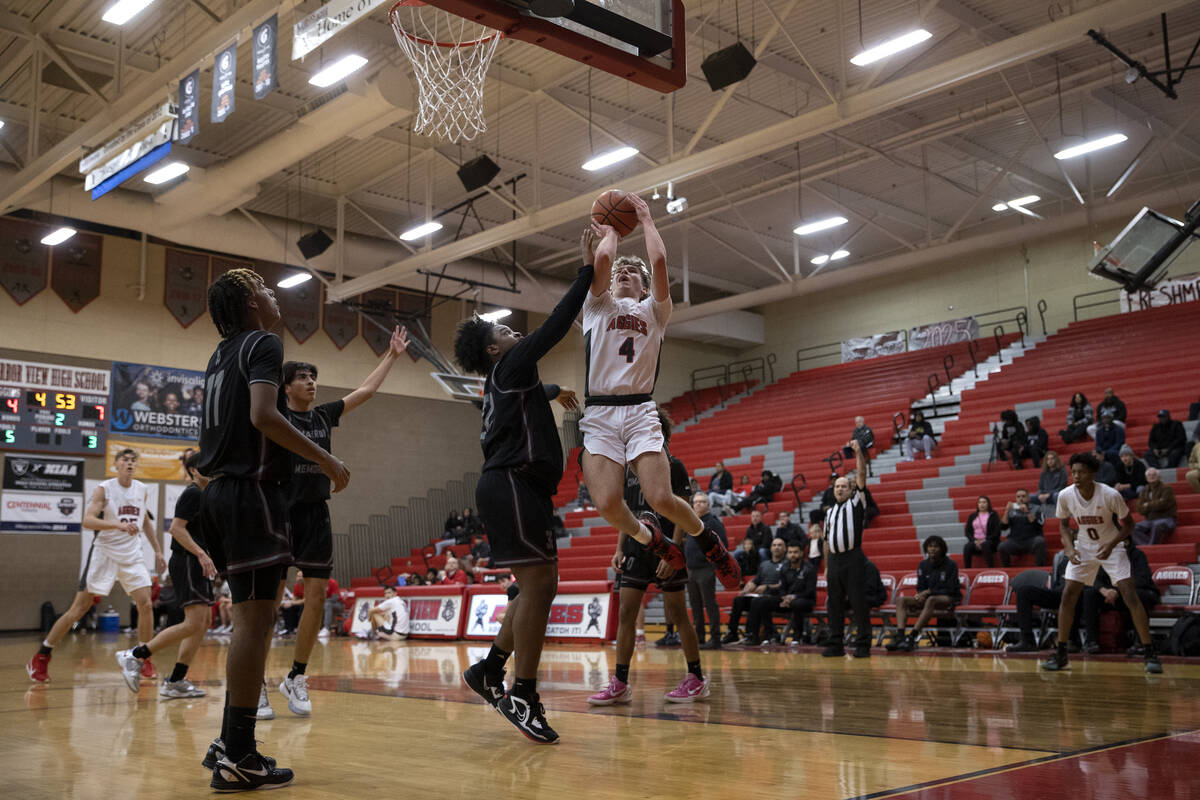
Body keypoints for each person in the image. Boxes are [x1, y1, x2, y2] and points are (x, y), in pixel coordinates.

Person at [196, 267, 350, 790]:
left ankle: (230, 742)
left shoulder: (220, 356)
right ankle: (239, 750)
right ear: (248, 303)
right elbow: (264, 416)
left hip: (223, 492)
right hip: (251, 493)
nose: (272, 293)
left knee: (250, 621)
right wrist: (326, 460)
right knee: (254, 625)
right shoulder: (263, 343)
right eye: (263, 288)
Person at [455, 225, 595, 745]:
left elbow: (535, 388)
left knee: (536, 586)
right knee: (539, 587)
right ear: (495, 349)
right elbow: (556, 325)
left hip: (521, 487)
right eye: (507, 332)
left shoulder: (508, 379)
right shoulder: (512, 365)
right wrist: (587, 270)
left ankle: (490, 670)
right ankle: (522, 692)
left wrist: (555, 391)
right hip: (512, 484)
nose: (516, 334)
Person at [576, 194, 739, 594]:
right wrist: (610, 234)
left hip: (640, 410)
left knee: (661, 498)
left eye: (632, 272)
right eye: (620, 271)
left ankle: (708, 541)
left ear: (645, 286)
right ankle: (654, 541)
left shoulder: (654, 312)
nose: (623, 273)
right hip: (599, 413)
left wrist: (647, 221)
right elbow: (600, 264)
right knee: (609, 504)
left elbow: (661, 263)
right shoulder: (596, 308)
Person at [276, 327, 409, 717]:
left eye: (313, 377)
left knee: (315, 597)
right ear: (285, 388)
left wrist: (392, 356)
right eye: (302, 377)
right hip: (280, 513)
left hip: (316, 512)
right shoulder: (275, 416)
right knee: (267, 603)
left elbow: (364, 392)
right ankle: (254, 685)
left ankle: (296, 676)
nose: (311, 382)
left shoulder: (322, 415)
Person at [27, 448, 166, 684]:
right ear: (116, 464)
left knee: (145, 604)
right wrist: (117, 525)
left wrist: (158, 550)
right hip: (105, 552)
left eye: (133, 460)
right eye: (125, 460)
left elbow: (144, 521)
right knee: (79, 609)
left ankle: (143, 658)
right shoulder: (105, 488)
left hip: (131, 554)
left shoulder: (141, 489)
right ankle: (42, 654)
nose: (130, 464)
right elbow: (87, 520)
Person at [590, 474, 712, 705]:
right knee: (626, 613)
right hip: (635, 549)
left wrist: (673, 550)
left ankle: (696, 678)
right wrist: (619, 548)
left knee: (678, 614)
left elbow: (683, 512)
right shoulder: (627, 473)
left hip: (665, 547)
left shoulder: (672, 465)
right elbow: (625, 514)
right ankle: (620, 683)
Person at [1040, 452, 1161, 674]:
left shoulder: (1110, 495)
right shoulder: (1066, 495)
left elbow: (1129, 526)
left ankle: (1150, 652)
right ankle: (1061, 653)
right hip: (1084, 546)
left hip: (1112, 545)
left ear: (1092, 473)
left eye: (1081, 472)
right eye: (1073, 472)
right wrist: (1069, 547)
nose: (1076, 476)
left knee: (1129, 593)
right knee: (1068, 595)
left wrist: (1112, 543)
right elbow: (1064, 526)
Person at [114, 451, 217, 699]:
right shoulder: (192, 493)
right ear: (194, 470)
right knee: (193, 622)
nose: (213, 471)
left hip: (199, 563)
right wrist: (201, 555)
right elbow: (176, 529)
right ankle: (135, 655)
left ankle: (176, 681)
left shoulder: (207, 495)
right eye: (207, 467)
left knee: (202, 624)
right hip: (187, 561)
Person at [822, 439, 873, 658]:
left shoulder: (857, 502)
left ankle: (863, 644)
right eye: (837, 486)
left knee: (858, 602)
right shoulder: (830, 512)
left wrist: (859, 452)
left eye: (844, 486)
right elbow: (826, 540)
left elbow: (861, 475)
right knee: (834, 604)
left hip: (853, 558)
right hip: (834, 560)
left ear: (851, 489)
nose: (840, 489)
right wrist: (825, 565)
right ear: (833, 490)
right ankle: (836, 644)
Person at [1079, 542, 1159, 654]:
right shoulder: (1104, 555)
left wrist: (1118, 591)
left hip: (1135, 593)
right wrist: (1104, 590)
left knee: (1139, 595)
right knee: (1089, 594)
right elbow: (1093, 578)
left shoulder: (1137, 555)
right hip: (1112, 595)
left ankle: (1141, 643)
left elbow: (1142, 580)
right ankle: (1092, 642)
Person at [888, 535, 960, 651]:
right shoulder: (923, 565)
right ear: (926, 548)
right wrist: (921, 594)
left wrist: (928, 592)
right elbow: (921, 586)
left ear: (942, 549)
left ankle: (912, 636)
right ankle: (900, 636)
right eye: (930, 546)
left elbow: (950, 588)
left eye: (936, 546)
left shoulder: (951, 565)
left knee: (932, 600)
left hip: (949, 597)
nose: (932, 549)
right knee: (901, 600)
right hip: (928, 597)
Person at [743, 542, 814, 645]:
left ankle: (797, 637)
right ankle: (768, 635)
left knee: (796, 603)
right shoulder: (785, 568)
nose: (792, 555)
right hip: (787, 600)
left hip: (806, 600)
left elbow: (810, 591)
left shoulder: (809, 569)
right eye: (790, 552)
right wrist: (784, 597)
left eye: (795, 552)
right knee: (760, 601)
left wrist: (794, 597)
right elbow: (782, 587)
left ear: (801, 553)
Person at [720, 538, 787, 644]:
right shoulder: (764, 564)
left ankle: (753, 635)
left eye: (779, 545)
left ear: (784, 549)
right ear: (770, 548)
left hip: (777, 597)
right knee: (739, 600)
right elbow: (755, 581)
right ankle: (732, 633)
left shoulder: (787, 565)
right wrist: (746, 589)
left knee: (757, 601)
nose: (776, 547)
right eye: (774, 545)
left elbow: (785, 585)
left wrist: (767, 587)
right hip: (761, 598)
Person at [1005, 552, 1074, 652]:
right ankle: (1027, 640)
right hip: (1059, 594)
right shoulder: (1062, 559)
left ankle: (1073, 640)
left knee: (1078, 594)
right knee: (1024, 592)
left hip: (1076, 594)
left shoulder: (1083, 556)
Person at [686, 492, 728, 650]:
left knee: (710, 604)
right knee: (695, 605)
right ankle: (700, 637)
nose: (698, 504)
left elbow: (723, 545)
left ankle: (716, 638)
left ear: (708, 504)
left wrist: (713, 564)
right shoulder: (691, 521)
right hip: (691, 569)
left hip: (706, 568)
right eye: (695, 502)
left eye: (702, 502)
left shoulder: (714, 522)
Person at [998, 489, 1047, 567]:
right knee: (1002, 546)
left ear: (1028, 498)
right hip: (1015, 541)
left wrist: (1027, 512)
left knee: (1040, 541)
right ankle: (1007, 569)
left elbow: (1039, 525)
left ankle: (1039, 568)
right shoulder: (1012, 510)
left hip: (1031, 540)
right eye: (1018, 497)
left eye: (1023, 496)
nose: (1021, 499)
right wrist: (1007, 511)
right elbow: (1003, 527)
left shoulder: (1037, 508)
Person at [1133, 468, 1177, 545]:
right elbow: (1140, 509)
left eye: (1154, 475)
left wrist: (1147, 505)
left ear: (1159, 477)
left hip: (1166, 518)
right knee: (1131, 528)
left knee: (1157, 525)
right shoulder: (1144, 491)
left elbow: (1164, 504)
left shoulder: (1167, 489)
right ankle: (1148, 547)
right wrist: (1157, 502)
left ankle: (1151, 547)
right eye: (1149, 475)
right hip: (1150, 520)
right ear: (1146, 478)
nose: (1152, 477)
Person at [962, 496, 999, 568]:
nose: (982, 504)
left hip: (990, 541)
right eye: (980, 502)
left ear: (988, 504)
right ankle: (967, 569)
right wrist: (974, 541)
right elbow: (967, 531)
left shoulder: (993, 515)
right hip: (975, 541)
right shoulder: (972, 516)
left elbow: (997, 532)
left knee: (985, 545)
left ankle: (991, 568)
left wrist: (984, 540)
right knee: (967, 546)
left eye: (984, 502)